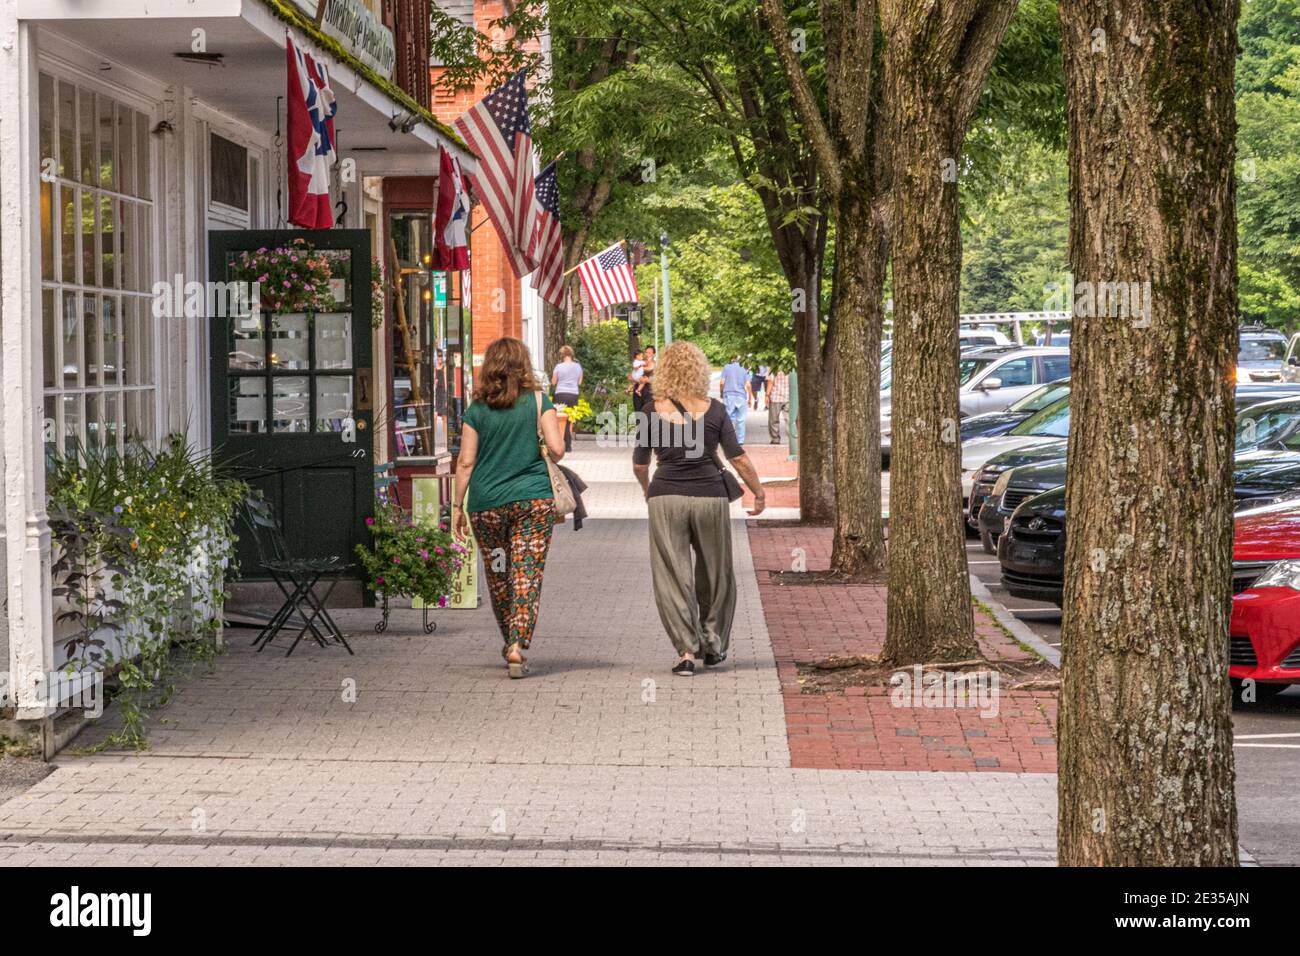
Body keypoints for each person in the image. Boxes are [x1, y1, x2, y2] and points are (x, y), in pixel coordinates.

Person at [634, 341, 765, 676]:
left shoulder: (651, 411)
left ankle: (685, 652)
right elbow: (737, 458)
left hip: (666, 497)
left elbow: (640, 463)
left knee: (672, 575)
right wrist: (758, 492)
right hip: (710, 497)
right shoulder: (716, 409)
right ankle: (713, 643)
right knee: (716, 571)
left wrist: (649, 491)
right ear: (700, 371)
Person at [452, 337, 566, 679]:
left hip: (487, 505)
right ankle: (517, 643)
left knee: (500, 576)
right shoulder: (537, 401)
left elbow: (465, 461)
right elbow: (558, 450)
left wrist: (457, 505)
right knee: (526, 572)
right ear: (523, 365)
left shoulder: (476, 410)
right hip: (533, 502)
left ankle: (509, 644)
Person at [550, 345, 583, 452]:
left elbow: (553, 382)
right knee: (570, 419)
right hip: (573, 394)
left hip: (560, 393)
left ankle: (561, 442)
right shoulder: (578, 367)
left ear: (562, 355)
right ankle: (568, 445)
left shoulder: (558, 367)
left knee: (559, 418)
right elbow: (579, 382)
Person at [719, 354, 752, 444]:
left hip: (729, 395)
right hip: (741, 396)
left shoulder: (726, 367)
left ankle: (728, 439)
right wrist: (750, 398)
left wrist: (721, 393)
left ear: (732, 359)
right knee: (741, 420)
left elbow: (722, 383)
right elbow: (748, 384)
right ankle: (740, 441)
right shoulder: (745, 368)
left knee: (729, 419)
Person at [767, 368, 790, 444]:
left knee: (774, 420)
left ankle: (775, 439)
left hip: (775, 397)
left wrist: (767, 395)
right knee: (789, 420)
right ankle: (792, 438)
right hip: (788, 397)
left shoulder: (773, 367)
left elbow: (770, 381)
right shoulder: (791, 367)